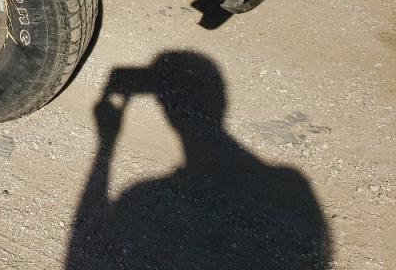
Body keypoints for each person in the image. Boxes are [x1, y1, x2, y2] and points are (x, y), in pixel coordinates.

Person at [66, 51, 330, 270]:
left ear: (165, 109)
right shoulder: (292, 187)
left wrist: (106, 147)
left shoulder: (142, 198)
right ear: (222, 100)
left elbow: (79, 254)